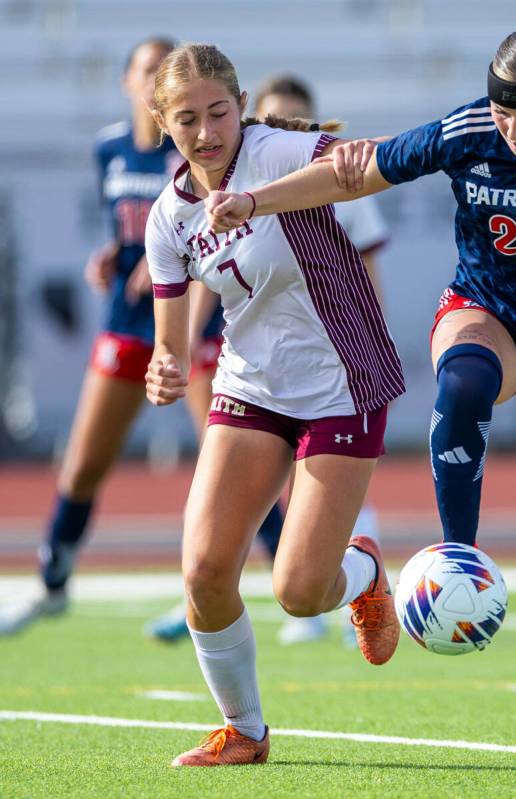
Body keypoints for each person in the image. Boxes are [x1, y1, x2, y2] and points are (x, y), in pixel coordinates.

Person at [204, 28, 516, 698]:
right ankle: (457, 559)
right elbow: (356, 171)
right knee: (463, 381)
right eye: (504, 113)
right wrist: (254, 200)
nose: (513, 130)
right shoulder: (468, 128)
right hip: (485, 308)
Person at [144, 43, 404, 766]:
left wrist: (259, 199)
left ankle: (365, 574)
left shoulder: (276, 150)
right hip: (250, 386)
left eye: (218, 112)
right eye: (187, 118)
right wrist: (165, 365)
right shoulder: (168, 219)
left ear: (239, 107)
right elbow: (171, 338)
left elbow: (368, 161)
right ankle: (246, 730)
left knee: (298, 591)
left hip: (339, 379)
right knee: (202, 572)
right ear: (162, 123)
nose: (206, 132)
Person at [0, 37, 241, 636]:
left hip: (195, 320)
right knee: (83, 465)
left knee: (225, 464)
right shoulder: (109, 146)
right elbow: (129, 225)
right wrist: (114, 253)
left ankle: (222, 590)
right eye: (146, 72)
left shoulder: (195, 147)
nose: (156, 80)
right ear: (131, 85)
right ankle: (52, 583)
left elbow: (212, 234)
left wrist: (180, 306)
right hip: (128, 321)